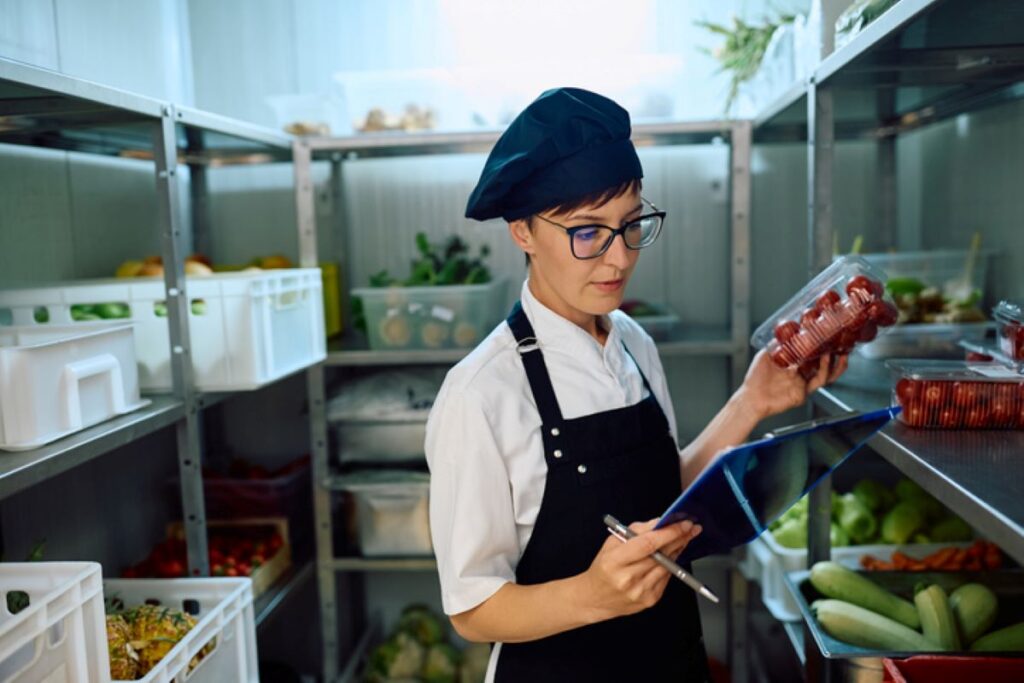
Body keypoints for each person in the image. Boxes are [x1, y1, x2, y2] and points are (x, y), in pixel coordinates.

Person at [425, 87, 847, 682]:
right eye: (587, 232)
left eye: (631, 225)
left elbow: (659, 495)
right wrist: (593, 595)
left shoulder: (632, 342)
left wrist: (753, 401)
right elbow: (472, 607)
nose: (619, 259)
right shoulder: (481, 394)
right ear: (523, 231)